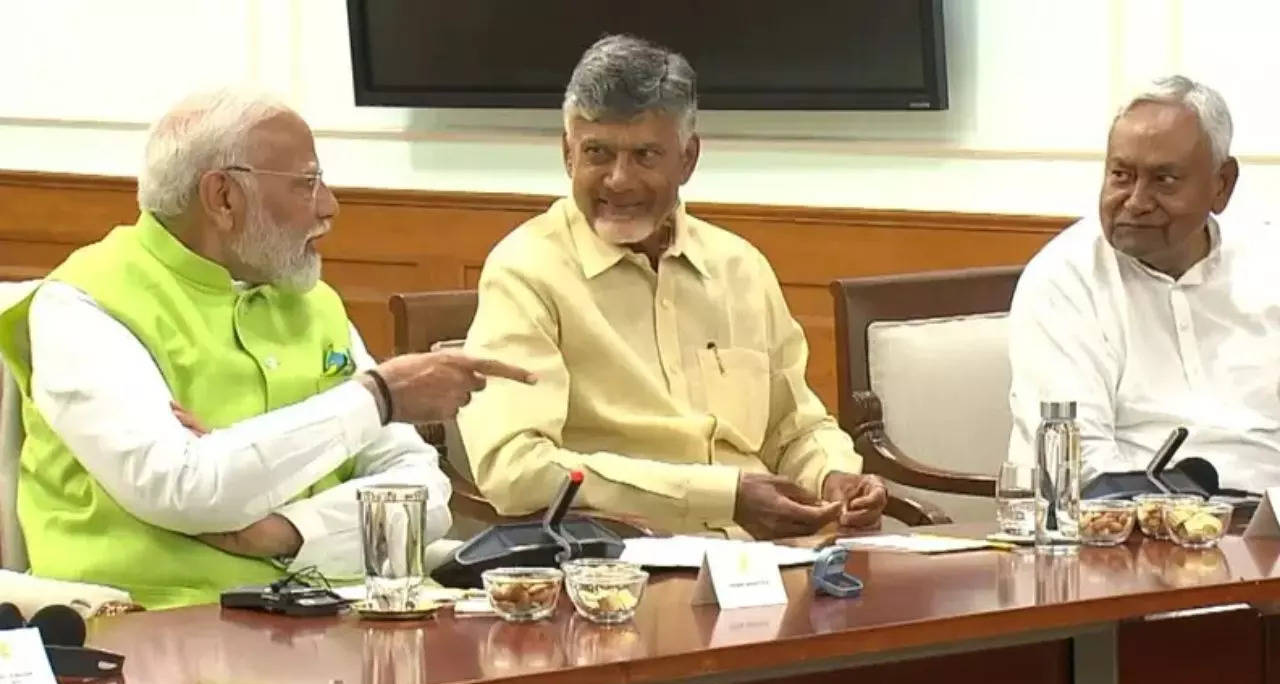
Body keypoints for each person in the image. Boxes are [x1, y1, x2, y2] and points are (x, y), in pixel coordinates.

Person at [0, 89, 534, 608]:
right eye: (306, 184)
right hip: (159, 638)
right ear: (224, 198)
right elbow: (185, 489)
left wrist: (288, 531)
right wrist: (374, 398)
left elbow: (423, 491)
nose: (329, 206)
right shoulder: (85, 304)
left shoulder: (309, 299)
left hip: (330, 617)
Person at [457, 35, 886, 539]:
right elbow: (515, 470)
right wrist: (721, 496)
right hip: (623, 570)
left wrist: (834, 476)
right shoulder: (525, 271)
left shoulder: (739, 266)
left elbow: (793, 428)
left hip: (773, 560)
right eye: (597, 153)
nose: (618, 180)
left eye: (644, 155)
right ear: (568, 154)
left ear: (687, 159)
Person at [1007, 75, 1280, 492]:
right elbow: (1082, 468)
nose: (1135, 201)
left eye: (1163, 180)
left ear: (1221, 185)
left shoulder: (1268, 262)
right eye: (1120, 175)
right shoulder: (1064, 280)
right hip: (1135, 533)